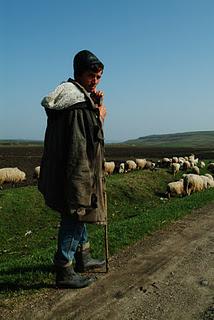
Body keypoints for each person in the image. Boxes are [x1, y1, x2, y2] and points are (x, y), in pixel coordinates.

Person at [38, 50, 107, 288]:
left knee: (80, 213)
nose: (95, 81)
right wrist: (99, 116)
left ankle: (83, 256)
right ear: (79, 74)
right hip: (76, 170)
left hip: (64, 168)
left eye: (98, 76)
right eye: (91, 75)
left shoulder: (72, 98)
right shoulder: (77, 106)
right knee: (75, 214)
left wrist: (93, 105)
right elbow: (83, 143)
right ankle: (64, 268)